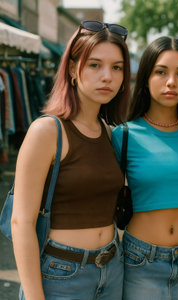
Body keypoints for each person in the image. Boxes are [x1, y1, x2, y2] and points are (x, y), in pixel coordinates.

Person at [11, 20, 131, 299]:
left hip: (112, 270)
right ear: (73, 71)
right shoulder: (47, 131)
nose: (107, 77)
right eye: (94, 65)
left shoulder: (111, 134)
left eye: (117, 68)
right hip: (61, 274)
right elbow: (21, 222)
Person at [111, 36, 178, 300]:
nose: (171, 82)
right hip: (140, 260)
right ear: (145, 78)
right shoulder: (123, 135)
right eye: (161, 72)